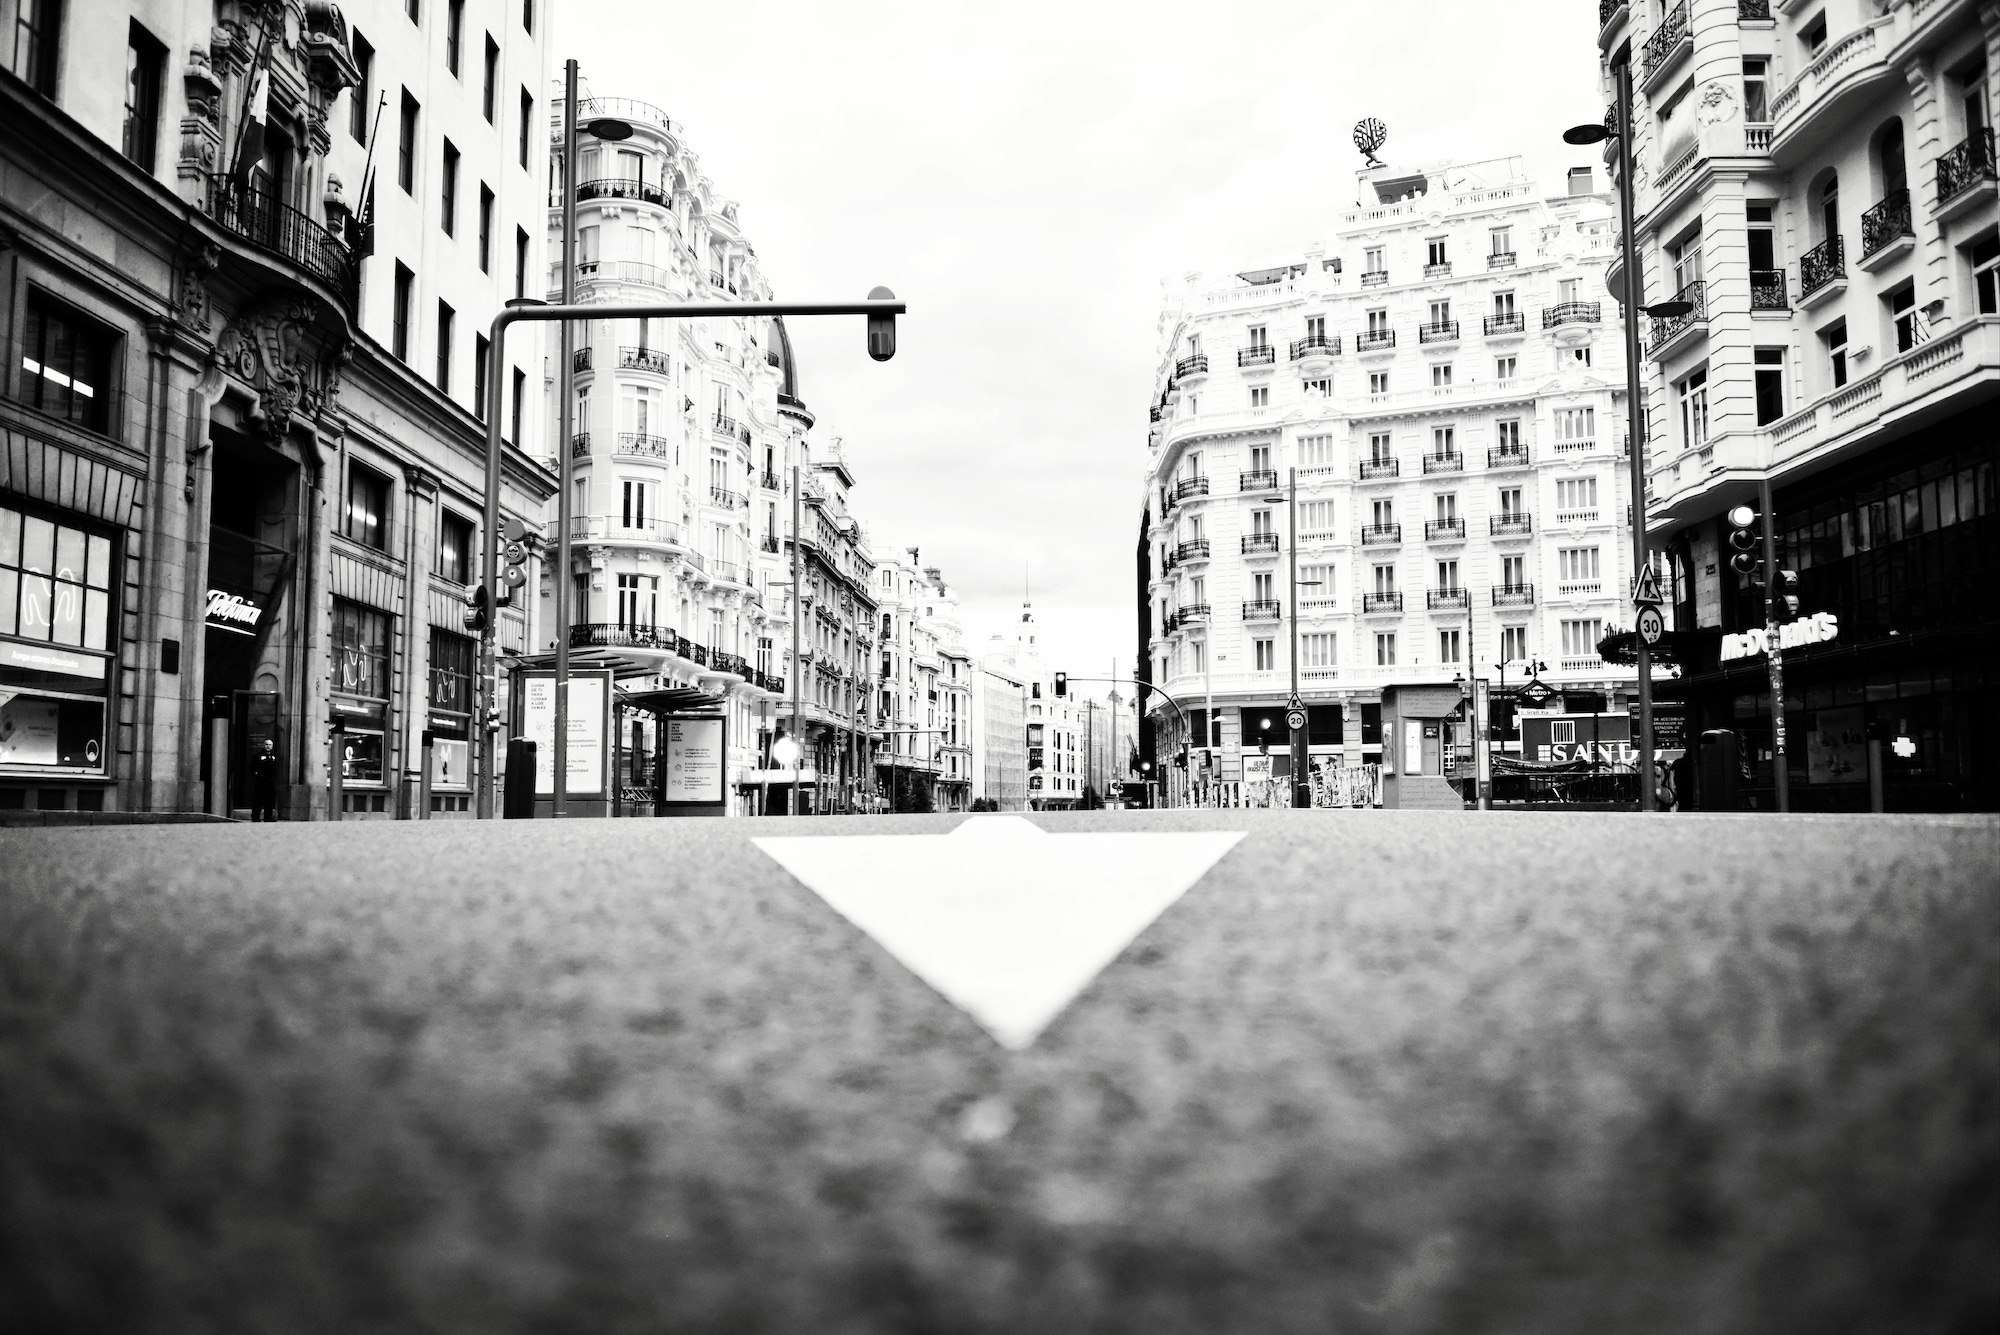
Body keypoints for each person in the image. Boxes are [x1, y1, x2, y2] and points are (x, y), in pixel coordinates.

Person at [249, 737, 280, 822]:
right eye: (266, 744)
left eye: (270, 745)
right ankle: (255, 817)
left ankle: (268, 817)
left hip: (270, 781)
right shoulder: (257, 756)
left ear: (272, 746)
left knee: (269, 800)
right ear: (263, 745)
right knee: (258, 799)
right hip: (261, 780)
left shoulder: (274, 756)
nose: (268, 746)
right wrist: (256, 776)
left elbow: (277, 768)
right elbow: (252, 768)